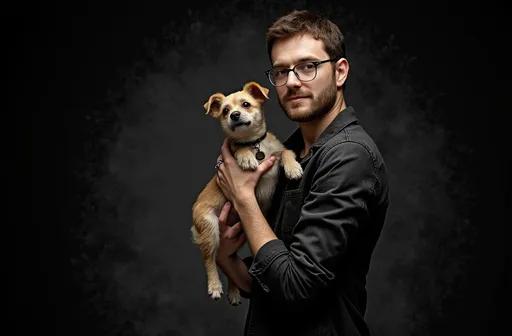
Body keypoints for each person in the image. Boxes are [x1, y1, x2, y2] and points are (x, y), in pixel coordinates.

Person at [214, 9, 390, 336]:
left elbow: (296, 287)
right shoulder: (287, 154)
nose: (292, 82)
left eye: (308, 66)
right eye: (281, 71)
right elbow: (272, 280)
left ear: (340, 72)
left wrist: (244, 198)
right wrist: (228, 259)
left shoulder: (349, 156)